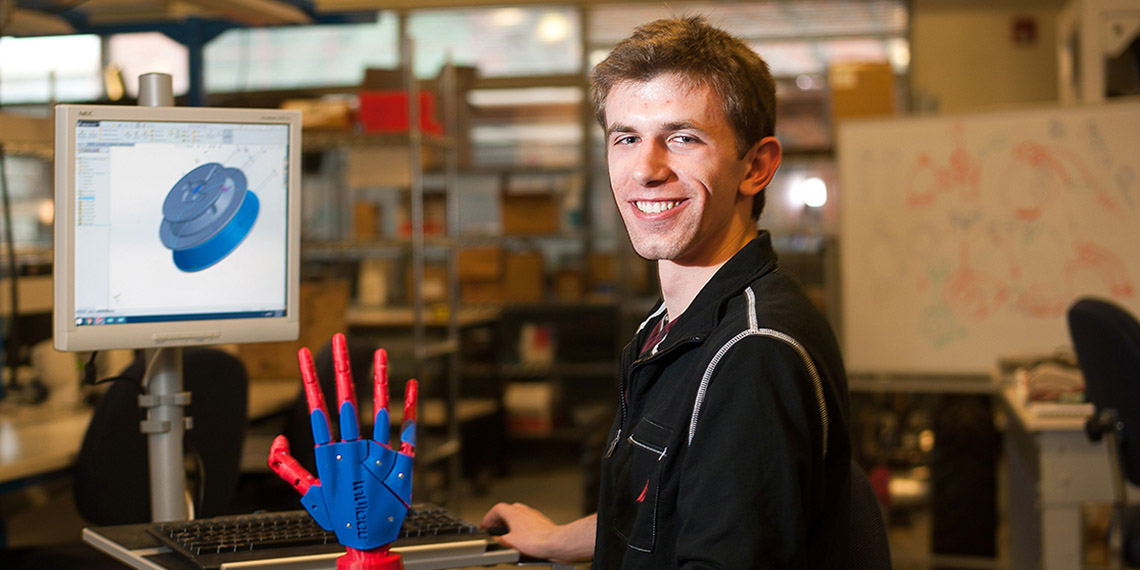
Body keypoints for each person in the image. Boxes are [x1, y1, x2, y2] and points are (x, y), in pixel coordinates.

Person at [481, 15, 851, 568]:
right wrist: (559, 540)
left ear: (756, 166)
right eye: (626, 138)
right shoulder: (673, 324)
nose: (646, 170)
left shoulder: (751, 354)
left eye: (682, 138)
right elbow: (676, 503)